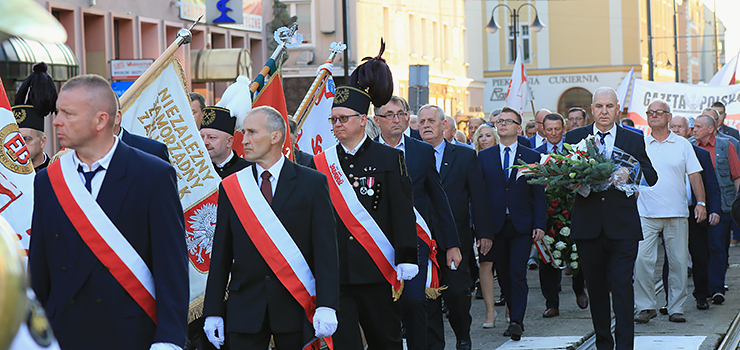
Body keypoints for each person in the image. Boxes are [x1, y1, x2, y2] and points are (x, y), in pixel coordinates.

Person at [29, 74, 188, 350]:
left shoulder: (152, 175)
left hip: (130, 333)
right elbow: (40, 270)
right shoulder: (48, 181)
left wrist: (169, 339)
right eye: (58, 113)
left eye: (67, 114)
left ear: (101, 120)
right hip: (63, 334)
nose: (56, 122)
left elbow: (171, 266)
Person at [202, 106, 339, 349]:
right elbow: (221, 253)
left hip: (295, 304)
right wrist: (212, 310)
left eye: (252, 132)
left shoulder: (312, 183)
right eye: (244, 133)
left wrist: (327, 305)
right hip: (245, 307)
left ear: (275, 137)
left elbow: (326, 251)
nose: (245, 140)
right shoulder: (233, 186)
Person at [312, 42, 418, 350]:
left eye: (343, 119)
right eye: (334, 120)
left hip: (376, 269)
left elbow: (401, 212)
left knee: (385, 340)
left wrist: (406, 257)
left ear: (362, 119)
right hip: (338, 274)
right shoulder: (321, 163)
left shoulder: (388, 159)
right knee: (345, 345)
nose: (337, 125)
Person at [563, 87, 657, 350]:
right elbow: (561, 177)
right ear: (592, 109)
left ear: (618, 109)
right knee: (596, 290)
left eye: (609, 106)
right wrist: (572, 182)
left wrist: (631, 171)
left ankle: (625, 346)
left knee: (622, 288)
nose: (604, 112)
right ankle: (603, 344)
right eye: (599, 106)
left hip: (623, 227)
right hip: (588, 226)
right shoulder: (575, 136)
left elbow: (651, 174)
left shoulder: (633, 138)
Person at [374, 96, 459, 350]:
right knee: (383, 306)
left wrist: (452, 243)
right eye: (388, 115)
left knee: (414, 301)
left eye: (400, 113)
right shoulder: (367, 152)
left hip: (414, 242)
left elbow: (439, 198)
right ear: (377, 120)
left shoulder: (421, 151)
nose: (396, 119)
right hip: (376, 242)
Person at [419, 105, 495, 337]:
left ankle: (463, 338)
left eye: (431, 121)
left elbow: (478, 197)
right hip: (422, 239)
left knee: (457, 295)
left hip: (456, 239)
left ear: (443, 125)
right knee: (427, 297)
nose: (426, 126)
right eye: (422, 122)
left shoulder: (463, 155)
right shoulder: (408, 155)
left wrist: (485, 233)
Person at [633, 100, 706, 324]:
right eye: (650, 113)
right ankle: (646, 306)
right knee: (642, 261)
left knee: (678, 262)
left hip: (677, 212)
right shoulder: (640, 144)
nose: (654, 115)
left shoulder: (683, 144)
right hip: (646, 212)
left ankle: (676, 308)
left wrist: (701, 203)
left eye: (659, 112)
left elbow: (694, 175)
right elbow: (632, 174)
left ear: (668, 116)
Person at [478, 106, 546, 341]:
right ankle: (511, 310)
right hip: (496, 226)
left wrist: (540, 224)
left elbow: (538, 193)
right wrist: (483, 231)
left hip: (521, 225)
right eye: (500, 121)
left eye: (508, 121)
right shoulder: (485, 157)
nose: (503, 124)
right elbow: (480, 197)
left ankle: (517, 320)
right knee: (504, 275)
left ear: (519, 127)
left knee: (518, 273)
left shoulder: (531, 156)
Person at [534, 113, 588, 317]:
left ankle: (578, 288)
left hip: (573, 209)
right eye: (550, 130)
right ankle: (552, 302)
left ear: (563, 129)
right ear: (543, 131)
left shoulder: (574, 152)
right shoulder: (535, 154)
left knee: (577, 251)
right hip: (546, 212)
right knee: (547, 257)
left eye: (557, 129)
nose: (554, 133)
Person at [668, 115, 721, 311]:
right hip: (672, 211)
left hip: (695, 212)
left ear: (688, 130)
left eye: (679, 127)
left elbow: (712, 186)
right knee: (670, 257)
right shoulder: (662, 153)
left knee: (699, 255)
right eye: (672, 127)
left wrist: (712, 209)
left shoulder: (701, 154)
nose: (675, 131)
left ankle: (701, 295)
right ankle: (669, 299)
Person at [691, 114, 740, 305]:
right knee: (699, 248)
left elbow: (736, 175)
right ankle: (702, 288)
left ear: (711, 129)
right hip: (697, 204)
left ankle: (717, 288)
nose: (693, 129)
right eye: (693, 126)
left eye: (698, 126)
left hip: (722, 203)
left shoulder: (726, 145)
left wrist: (737, 202)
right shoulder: (689, 146)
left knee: (718, 245)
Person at [14, 62, 57, 172]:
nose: (20, 147)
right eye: (16, 140)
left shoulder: (55, 173)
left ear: (42, 141)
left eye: (26, 139)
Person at [200, 106, 251, 179]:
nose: (205, 143)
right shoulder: (197, 171)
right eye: (202, 137)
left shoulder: (248, 170)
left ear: (229, 141)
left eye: (211, 137)